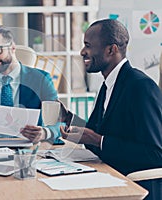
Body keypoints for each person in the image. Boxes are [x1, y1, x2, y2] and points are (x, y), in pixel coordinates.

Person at [59, 19, 162, 200]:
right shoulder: (108, 85)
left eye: (88, 45)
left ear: (111, 50)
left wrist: (97, 140)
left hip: (134, 187)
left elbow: (156, 154)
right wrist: (69, 119)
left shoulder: (140, 87)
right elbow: (101, 133)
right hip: (107, 177)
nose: (82, 52)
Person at [0, 25, 62, 144]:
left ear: (12, 47)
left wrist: (45, 133)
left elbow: (60, 120)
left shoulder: (41, 79)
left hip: (29, 149)